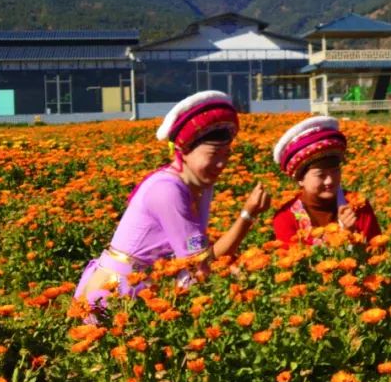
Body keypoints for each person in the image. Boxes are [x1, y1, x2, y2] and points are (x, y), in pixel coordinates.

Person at [74, 91, 270, 308]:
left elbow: (200, 257)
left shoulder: (199, 184)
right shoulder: (168, 190)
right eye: (213, 154)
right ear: (184, 150)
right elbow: (199, 262)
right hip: (117, 295)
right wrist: (247, 215)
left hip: (144, 288)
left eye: (226, 155)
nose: (222, 164)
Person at [271, 115, 381, 249]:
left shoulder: (358, 206)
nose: (329, 180)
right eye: (320, 175)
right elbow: (293, 264)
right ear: (300, 179)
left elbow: (377, 253)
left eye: (335, 171)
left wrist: (352, 234)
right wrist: (343, 236)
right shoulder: (285, 217)